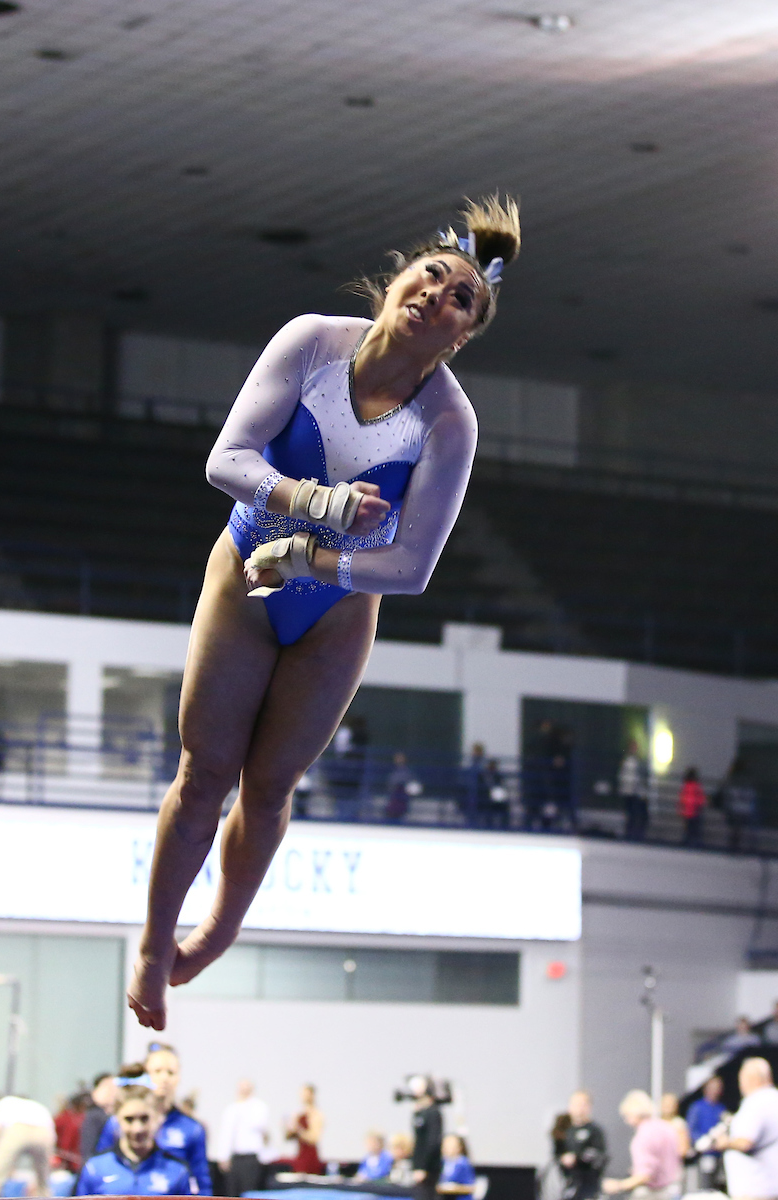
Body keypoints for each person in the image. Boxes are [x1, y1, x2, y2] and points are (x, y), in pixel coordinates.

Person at [126, 196, 522, 1029]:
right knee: (205, 775)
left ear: (460, 337)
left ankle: (219, 928)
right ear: (398, 278)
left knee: (268, 791)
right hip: (243, 583)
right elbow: (225, 460)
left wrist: (312, 555)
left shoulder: (450, 421)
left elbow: (411, 569)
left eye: (461, 300)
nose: (438, 294)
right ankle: (155, 944)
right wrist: (317, 502)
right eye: (433, 274)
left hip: (333, 614)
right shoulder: (311, 342)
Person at [94, 1044, 212, 1195]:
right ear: (145, 1075)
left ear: (179, 1077)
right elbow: (102, 1166)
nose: (164, 1078)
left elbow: (201, 1183)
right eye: (157, 1071)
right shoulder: (116, 1123)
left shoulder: (192, 1129)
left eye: (170, 1072)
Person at [76, 1084, 190, 1196]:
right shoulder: (95, 1168)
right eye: (129, 1119)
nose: (137, 1129)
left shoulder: (177, 1171)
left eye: (144, 1118)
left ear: (158, 1118)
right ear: (116, 1120)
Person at [714, 1057, 778, 1200]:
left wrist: (724, 1142)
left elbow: (745, 1142)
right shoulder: (774, 1097)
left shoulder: (755, 1102)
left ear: (753, 1079)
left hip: (755, 1188)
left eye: (741, 1079)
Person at [0, 1092, 55, 1199]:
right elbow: (51, 1144)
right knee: (43, 1184)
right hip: (44, 1131)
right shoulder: (35, 1106)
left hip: (19, 1128)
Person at [602, 1090, 681, 1200]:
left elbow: (645, 1176)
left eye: (627, 1116)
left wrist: (618, 1185)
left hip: (655, 1193)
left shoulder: (642, 1137)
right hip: (673, 1190)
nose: (626, 1121)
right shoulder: (667, 1127)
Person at [216, 1080, 270, 1197]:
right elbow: (226, 1134)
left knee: (249, 1192)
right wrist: (223, 1156)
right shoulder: (232, 1109)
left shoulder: (258, 1107)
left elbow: (262, 1128)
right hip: (236, 1158)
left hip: (251, 1158)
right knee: (232, 1192)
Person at [556, 1090, 607, 1200]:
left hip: (590, 1186)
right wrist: (563, 1159)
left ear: (589, 1107)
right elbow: (557, 1154)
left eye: (583, 1105)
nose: (579, 1108)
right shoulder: (565, 1131)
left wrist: (577, 1158)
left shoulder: (595, 1131)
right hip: (569, 1184)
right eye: (576, 1104)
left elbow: (598, 1156)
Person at [687, 1075, 727, 1191]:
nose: (716, 1091)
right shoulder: (697, 1107)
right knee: (705, 1186)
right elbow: (691, 1130)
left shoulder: (720, 1108)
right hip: (704, 1154)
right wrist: (703, 1142)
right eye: (713, 1087)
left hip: (719, 1154)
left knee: (718, 1186)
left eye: (718, 1088)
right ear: (706, 1089)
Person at [410, 1076, 444, 1200]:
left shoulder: (433, 1113)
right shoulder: (420, 1113)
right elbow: (418, 1141)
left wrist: (423, 1167)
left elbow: (432, 1142)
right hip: (420, 1168)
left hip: (428, 1169)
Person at [719, 760, 759, 854]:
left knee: (736, 829)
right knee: (738, 829)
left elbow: (727, 793)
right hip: (743, 807)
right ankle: (738, 846)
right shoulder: (746, 780)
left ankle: (735, 846)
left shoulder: (733, 780)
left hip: (736, 807)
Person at [285, 1084, 324, 1175]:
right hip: (300, 1153)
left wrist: (299, 1131)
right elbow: (289, 1137)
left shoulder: (316, 1114)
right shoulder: (298, 1113)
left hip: (310, 1155)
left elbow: (314, 1138)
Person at [80, 1074, 118, 1166]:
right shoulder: (94, 1116)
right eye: (106, 1087)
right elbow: (88, 1151)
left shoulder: (117, 1116)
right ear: (95, 1092)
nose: (112, 1091)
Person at [619, 740, 650, 841]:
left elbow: (637, 778)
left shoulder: (635, 760)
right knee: (631, 814)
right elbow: (627, 777)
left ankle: (634, 834)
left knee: (636, 814)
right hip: (630, 792)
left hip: (635, 792)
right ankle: (630, 834)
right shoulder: (628, 761)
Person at [660, 1094, 691, 1169]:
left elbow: (683, 1149)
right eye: (666, 1105)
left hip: (674, 1165)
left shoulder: (679, 1124)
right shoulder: (655, 1123)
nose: (668, 1107)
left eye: (670, 1105)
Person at [679, 768, 706, 847]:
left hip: (689, 810)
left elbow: (682, 798)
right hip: (694, 810)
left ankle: (688, 841)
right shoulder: (696, 786)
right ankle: (693, 842)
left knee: (689, 828)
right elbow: (701, 798)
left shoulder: (686, 786)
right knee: (694, 828)